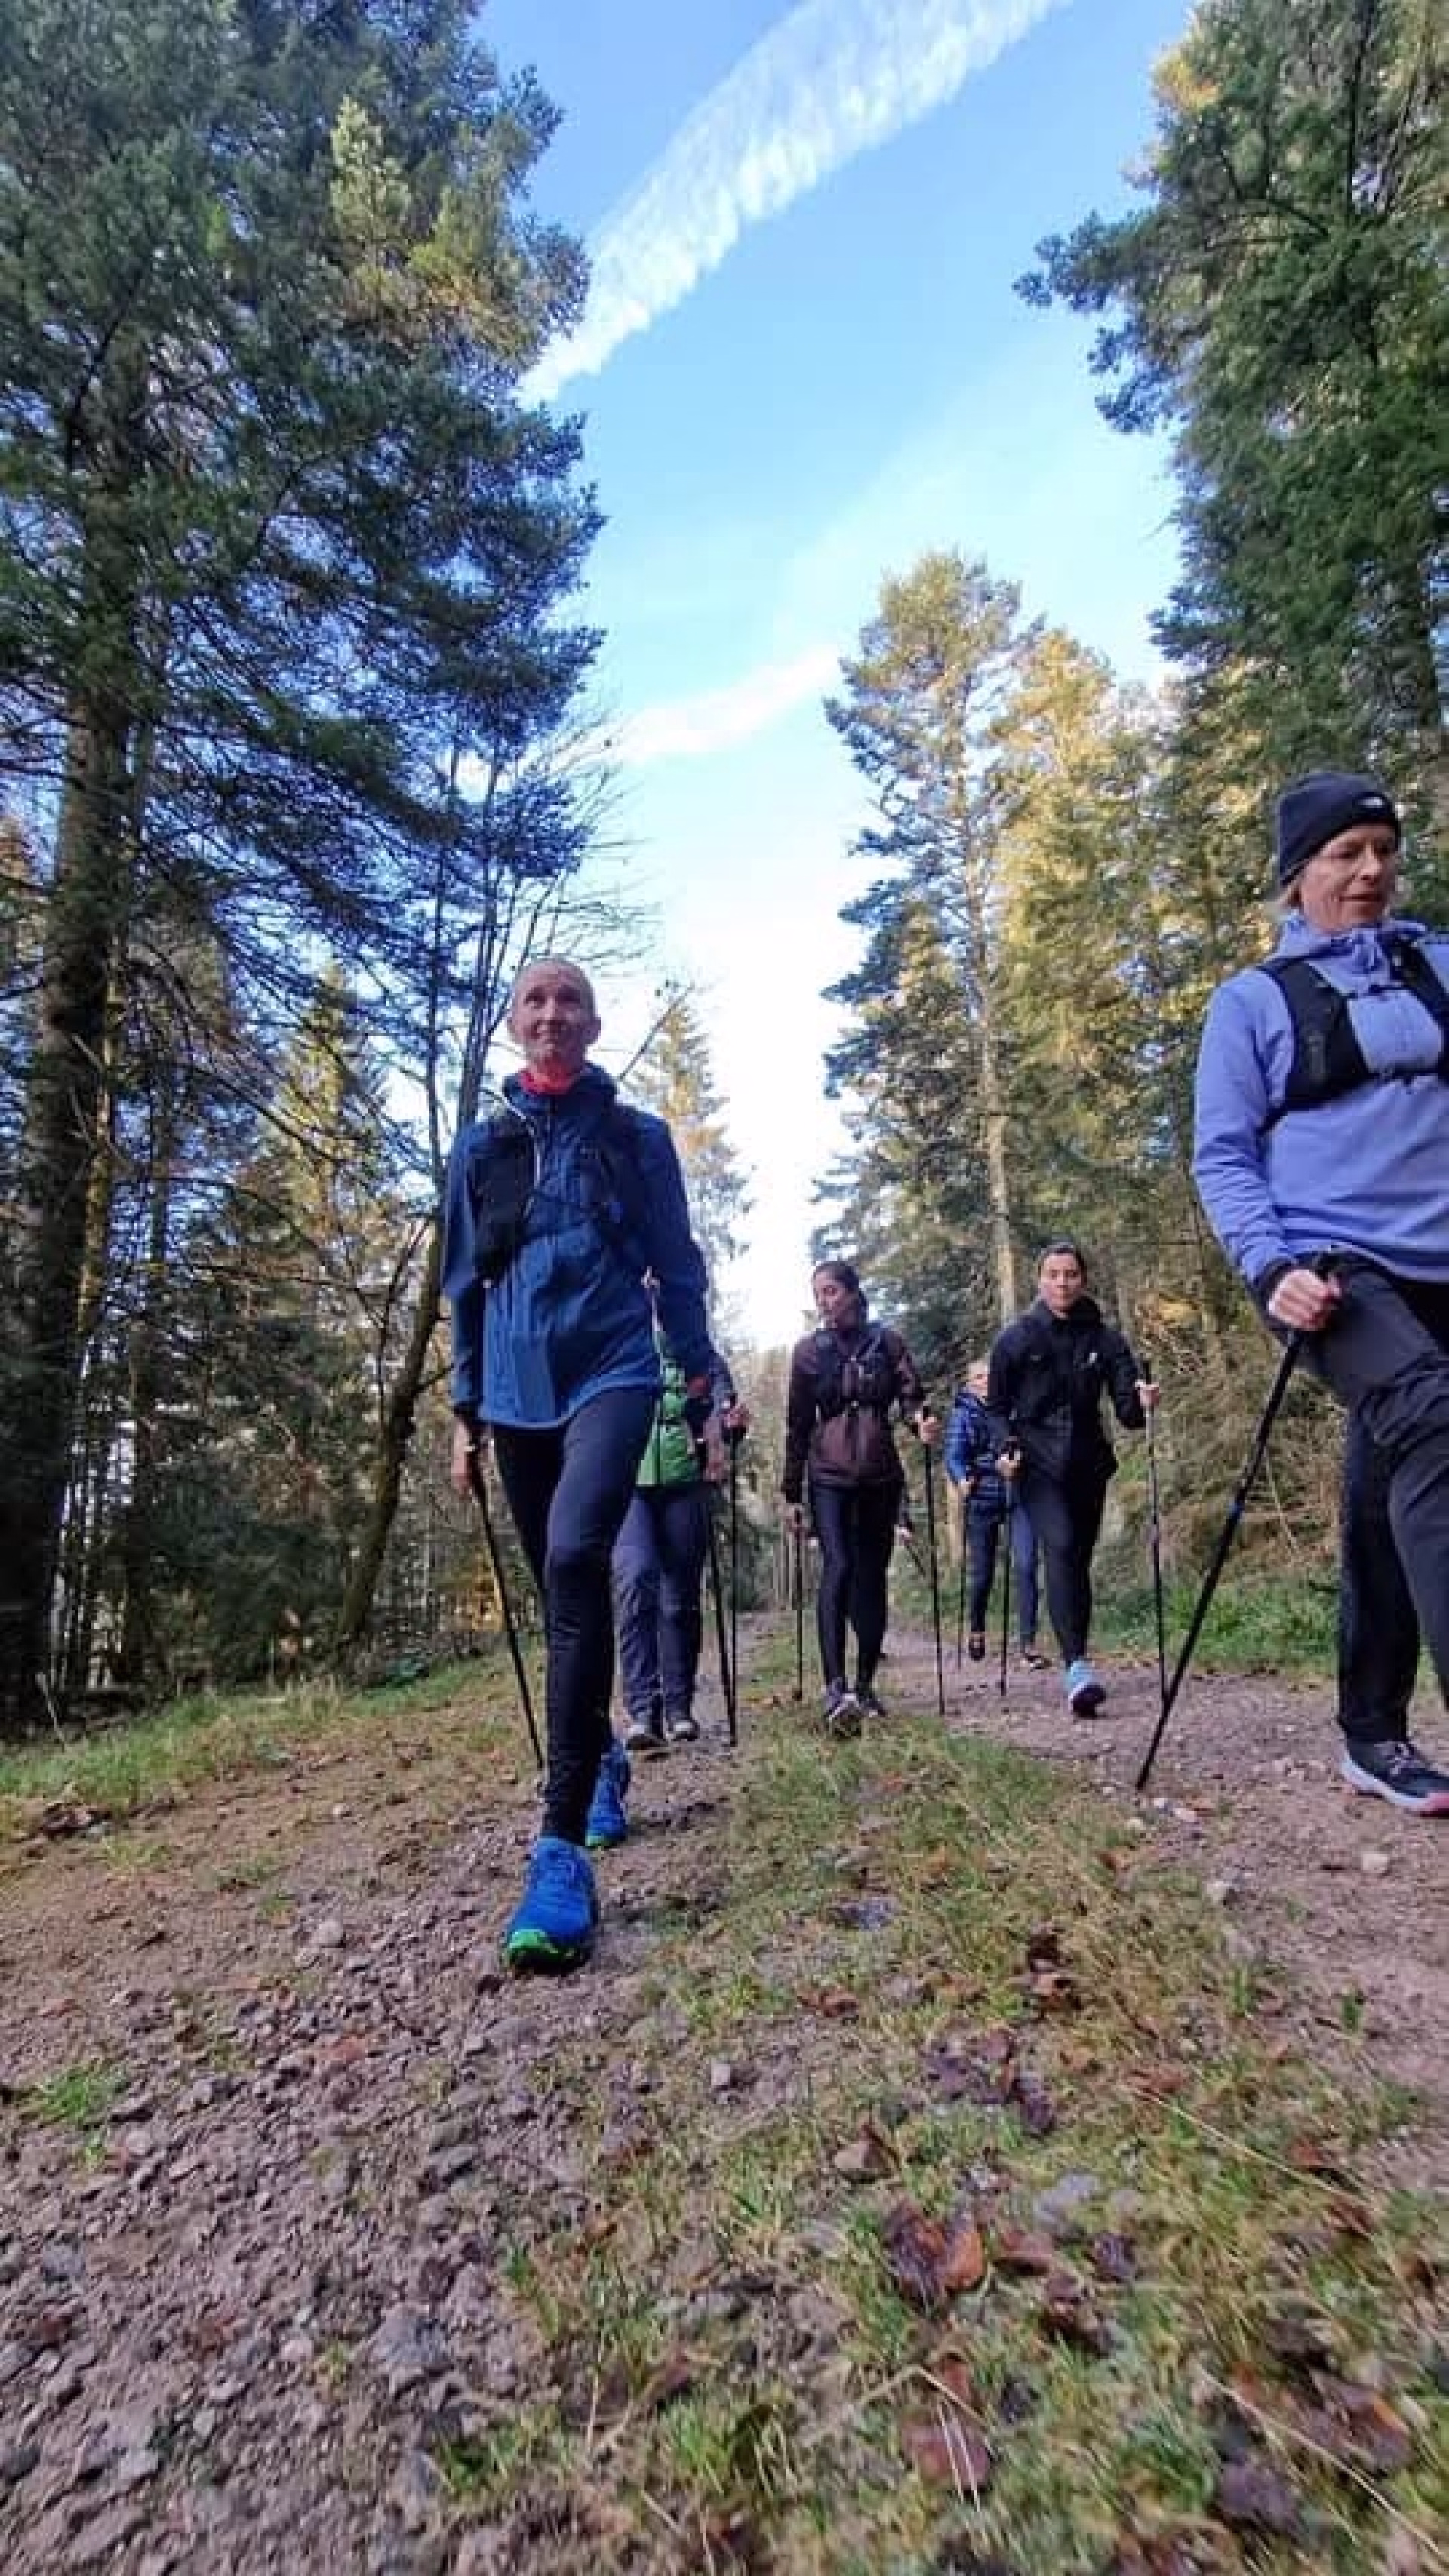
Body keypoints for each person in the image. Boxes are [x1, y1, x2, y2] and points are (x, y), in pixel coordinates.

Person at [443, 956, 719, 1970]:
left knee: (574, 1557)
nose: (552, 1012)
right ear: (515, 1024)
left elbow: (677, 1265)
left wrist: (700, 1377)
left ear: (595, 1026)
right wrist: (463, 1408)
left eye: (570, 1000)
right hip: (515, 1389)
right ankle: (599, 1752)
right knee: (560, 1589)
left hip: (614, 1370)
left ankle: (558, 1850)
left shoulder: (636, 1138)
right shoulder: (482, 1146)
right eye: (536, 999)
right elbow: (463, 1284)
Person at [1193, 768, 1449, 1817]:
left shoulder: (1437, 965)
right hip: (1331, 1272)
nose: (1370, 870)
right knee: (1435, 1421)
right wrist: (1270, 1268)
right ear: (1297, 876)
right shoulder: (1252, 1002)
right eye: (1346, 854)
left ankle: (1373, 1732)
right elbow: (1222, 1156)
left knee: (1391, 1483)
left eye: (1383, 850)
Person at [988, 1243, 1157, 1716]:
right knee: (1060, 1546)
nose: (1062, 1283)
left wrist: (1144, 1401)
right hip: (1035, 1464)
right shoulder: (1016, 1339)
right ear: (1039, 1280)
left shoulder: (1106, 1339)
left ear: (1083, 1280)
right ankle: (1077, 1668)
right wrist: (1005, 1449)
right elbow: (996, 1409)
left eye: (1071, 1275)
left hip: (1088, 1463)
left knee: (1076, 1560)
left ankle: (1077, 1653)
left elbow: (1128, 1414)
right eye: (1053, 1274)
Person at [781, 1260, 934, 1734]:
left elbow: (911, 1397)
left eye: (831, 1291)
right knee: (839, 1566)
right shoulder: (808, 1352)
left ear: (852, 1292)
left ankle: (865, 1686)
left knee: (871, 1577)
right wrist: (791, 1492)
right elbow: (797, 1424)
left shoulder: (888, 1343)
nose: (823, 1301)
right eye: (818, 1293)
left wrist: (920, 1422)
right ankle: (835, 1687)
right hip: (827, 1475)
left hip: (880, 1473)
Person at [613, 1297, 746, 1755]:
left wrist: (729, 1427)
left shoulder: (699, 1350)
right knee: (634, 1580)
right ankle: (642, 1710)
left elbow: (726, 1409)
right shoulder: (616, 1335)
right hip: (628, 1478)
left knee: (679, 1599)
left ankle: (678, 1708)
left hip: (686, 1479)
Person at [945, 1359, 1046, 1666]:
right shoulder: (963, 1414)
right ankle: (977, 1627)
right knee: (983, 1574)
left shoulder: (1014, 1405)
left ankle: (1028, 1642)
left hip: (1020, 1493)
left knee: (1027, 1565)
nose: (985, 1381)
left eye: (989, 1375)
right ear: (970, 1384)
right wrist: (961, 1478)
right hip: (983, 1496)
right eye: (978, 1377)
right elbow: (954, 1454)